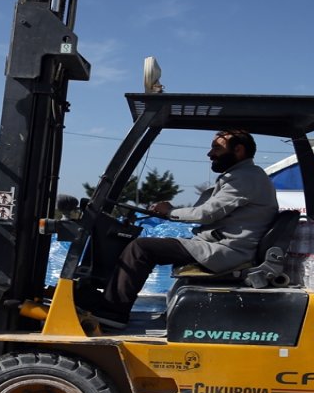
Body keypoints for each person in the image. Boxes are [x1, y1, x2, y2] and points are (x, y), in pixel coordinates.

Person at [85, 129, 279, 327]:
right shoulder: (243, 176)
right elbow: (206, 209)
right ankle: (108, 301)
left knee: (141, 248)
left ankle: (112, 313)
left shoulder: (245, 178)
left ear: (238, 150)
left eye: (216, 148)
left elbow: (206, 213)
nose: (210, 154)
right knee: (138, 245)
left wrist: (170, 212)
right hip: (220, 245)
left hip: (227, 251)